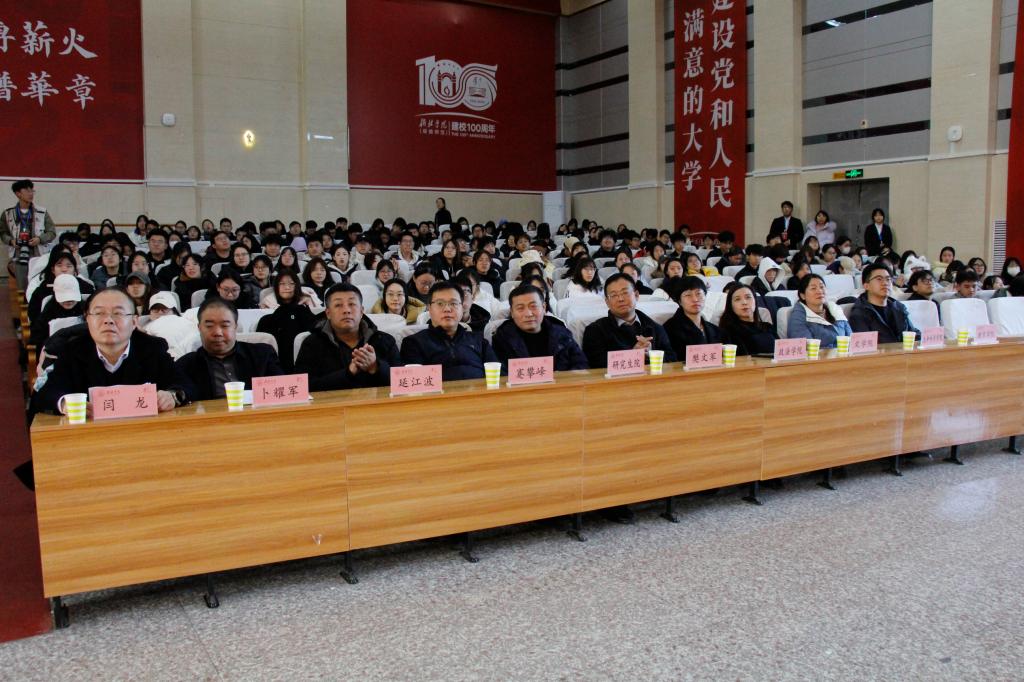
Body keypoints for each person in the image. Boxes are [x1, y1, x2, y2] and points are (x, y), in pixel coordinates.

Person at [34, 288, 191, 415]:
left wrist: (173, 396)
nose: (108, 320)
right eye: (99, 313)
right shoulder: (71, 350)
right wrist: (64, 403)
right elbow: (46, 393)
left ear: (134, 321)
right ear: (87, 319)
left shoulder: (153, 348)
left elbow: (185, 384)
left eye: (118, 313)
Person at [295, 283, 401, 391]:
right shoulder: (312, 344)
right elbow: (303, 387)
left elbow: (402, 382)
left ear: (361, 311)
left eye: (352, 304)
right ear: (328, 313)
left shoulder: (385, 340)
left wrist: (375, 367)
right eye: (338, 305)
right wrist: (347, 374)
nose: (346, 310)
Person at [176, 298, 283, 400]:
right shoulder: (186, 365)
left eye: (225, 325)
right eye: (209, 326)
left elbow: (281, 392)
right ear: (199, 328)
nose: (217, 333)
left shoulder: (263, 355)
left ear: (235, 327)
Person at [400, 280, 498, 380]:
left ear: (461, 308)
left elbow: (499, 375)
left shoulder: (479, 341)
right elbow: (414, 383)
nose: (447, 309)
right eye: (440, 303)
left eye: (453, 303)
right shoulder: (414, 343)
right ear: (429, 308)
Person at [581, 273, 676, 369]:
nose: (620, 299)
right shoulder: (595, 330)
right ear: (607, 302)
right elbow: (595, 365)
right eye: (614, 295)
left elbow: (673, 360)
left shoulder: (655, 327)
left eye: (625, 293)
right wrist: (633, 356)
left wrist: (650, 355)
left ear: (636, 295)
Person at [491, 285, 588, 371]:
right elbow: (500, 373)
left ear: (544, 307)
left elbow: (581, 363)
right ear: (512, 312)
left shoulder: (561, 333)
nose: (528, 314)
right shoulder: (502, 338)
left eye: (533, 306)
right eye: (520, 308)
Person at [0, 179, 57, 289]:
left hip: (38, 253)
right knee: (22, 286)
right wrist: (11, 241)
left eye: (32, 191)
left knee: (37, 284)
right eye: (27, 191)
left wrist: (39, 239)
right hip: (18, 254)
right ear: (18, 194)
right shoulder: (7, 213)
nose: (31, 194)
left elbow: (52, 232)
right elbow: (3, 233)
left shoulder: (42, 212)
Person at [255, 272, 316, 371]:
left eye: (291, 283)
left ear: (297, 286)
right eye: (282, 284)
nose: (287, 287)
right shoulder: (266, 319)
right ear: (276, 287)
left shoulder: (304, 312)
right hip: (275, 368)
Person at [848, 262, 920, 343]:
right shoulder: (859, 314)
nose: (885, 283)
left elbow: (913, 334)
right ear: (866, 286)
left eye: (888, 279)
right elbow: (864, 346)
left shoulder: (899, 308)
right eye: (879, 279)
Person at [787, 274, 853, 348]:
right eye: (813, 288)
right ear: (802, 295)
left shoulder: (834, 309)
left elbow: (852, 340)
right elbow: (808, 348)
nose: (819, 291)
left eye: (822, 287)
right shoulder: (798, 318)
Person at [662, 276, 720, 359]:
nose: (695, 299)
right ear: (679, 301)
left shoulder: (715, 330)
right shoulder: (669, 329)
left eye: (698, 294)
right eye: (688, 295)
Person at [718, 284, 779, 355]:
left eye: (748, 297)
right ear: (730, 305)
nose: (744, 302)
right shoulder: (729, 331)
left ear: (755, 301)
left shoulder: (767, 326)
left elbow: (783, 350)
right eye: (737, 299)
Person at [30, 274, 84, 348]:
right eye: (64, 297)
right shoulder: (48, 312)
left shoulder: (85, 309)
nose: (69, 301)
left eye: (72, 297)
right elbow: (37, 337)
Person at [143, 291, 201, 359]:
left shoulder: (186, 321)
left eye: (164, 309)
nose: (160, 312)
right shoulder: (144, 327)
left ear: (174, 311)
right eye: (155, 309)